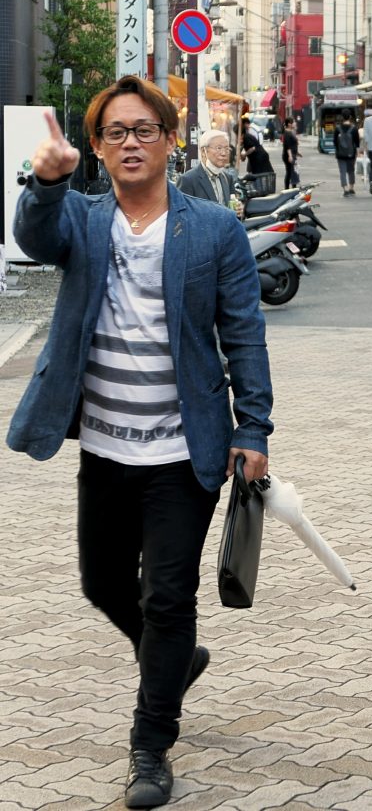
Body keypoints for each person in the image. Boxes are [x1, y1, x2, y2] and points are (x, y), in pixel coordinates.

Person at [5, 75, 273, 808]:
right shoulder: (82, 218)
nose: (130, 142)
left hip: (185, 451)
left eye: (144, 130)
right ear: (97, 147)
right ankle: (174, 662)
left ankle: (150, 745)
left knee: (168, 598)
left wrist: (253, 426)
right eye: (116, 132)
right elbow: (34, 237)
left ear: (169, 140)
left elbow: (244, 332)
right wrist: (45, 182)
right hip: (104, 445)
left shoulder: (211, 229)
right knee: (101, 583)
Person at [178, 130, 239, 208]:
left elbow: (231, 208)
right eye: (219, 148)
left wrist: (237, 210)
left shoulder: (227, 178)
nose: (223, 153)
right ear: (203, 151)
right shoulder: (188, 180)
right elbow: (181, 212)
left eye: (227, 149)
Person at [335, 114, 360, 197]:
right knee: (351, 170)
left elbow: (334, 141)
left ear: (342, 118)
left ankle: (345, 189)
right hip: (351, 154)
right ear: (350, 117)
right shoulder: (354, 129)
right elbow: (357, 142)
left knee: (342, 171)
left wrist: (338, 150)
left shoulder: (338, 128)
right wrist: (357, 152)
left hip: (340, 154)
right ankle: (351, 188)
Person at [281, 117, 300, 190]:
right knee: (290, 172)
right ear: (289, 124)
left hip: (292, 154)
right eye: (293, 122)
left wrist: (297, 152)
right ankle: (287, 189)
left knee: (293, 172)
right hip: (288, 155)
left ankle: (293, 188)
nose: (295, 123)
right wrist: (290, 156)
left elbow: (293, 144)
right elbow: (287, 146)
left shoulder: (291, 131)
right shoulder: (287, 133)